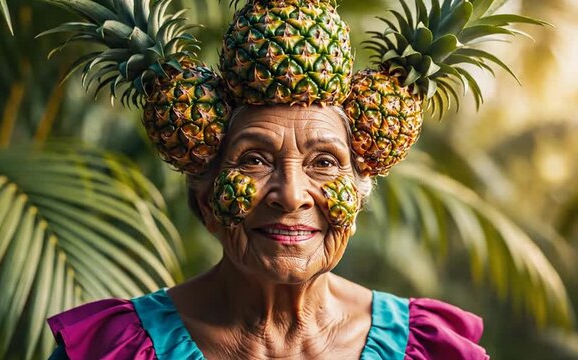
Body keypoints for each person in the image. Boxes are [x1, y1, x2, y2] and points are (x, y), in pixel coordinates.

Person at [41, 0, 542, 358]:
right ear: (205, 202)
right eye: (253, 160)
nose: (292, 196)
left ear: (359, 194)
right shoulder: (113, 350)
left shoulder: (430, 350)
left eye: (325, 162)